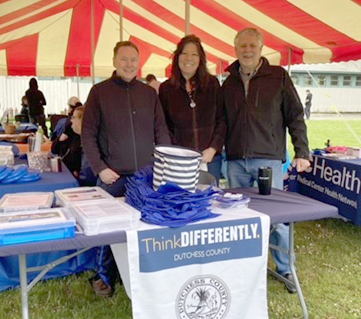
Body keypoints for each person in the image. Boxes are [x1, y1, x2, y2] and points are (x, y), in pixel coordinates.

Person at [222, 28, 310, 293]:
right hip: (236, 161)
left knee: (277, 219)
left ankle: (285, 268)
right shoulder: (228, 82)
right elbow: (222, 122)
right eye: (242, 46)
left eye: (252, 46)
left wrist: (302, 152)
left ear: (261, 49)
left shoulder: (278, 76)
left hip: (268, 161)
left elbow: (295, 115)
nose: (247, 50)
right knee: (238, 218)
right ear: (235, 49)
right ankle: (244, 265)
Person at [82, 41, 171, 297]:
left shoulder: (149, 94)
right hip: (113, 176)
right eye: (124, 59)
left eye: (133, 59)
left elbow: (161, 131)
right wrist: (100, 168)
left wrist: (163, 165)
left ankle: (139, 275)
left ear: (139, 62)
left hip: (146, 176)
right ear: (114, 61)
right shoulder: (99, 92)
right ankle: (103, 277)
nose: (129, 64)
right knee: (108, 229)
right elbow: (88, 135)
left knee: (145, 228)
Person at [159, 35, 226, 184]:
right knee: (182, 201)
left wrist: (213, 148)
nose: (189, 58)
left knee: (209, 201)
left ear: (201, 59)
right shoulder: (166, 89)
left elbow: (222, 120)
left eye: (194, 54)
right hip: (179, 162)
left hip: (210, 159)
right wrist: (179, 153)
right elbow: (164, 126)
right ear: (177, 57)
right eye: (184, 53)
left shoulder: (212, 84)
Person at [52, 105, 96, 186]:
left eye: (74, 117)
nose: (71, 120)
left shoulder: (89, 142)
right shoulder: (74, 135)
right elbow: (54, 150)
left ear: (83, 120)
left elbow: (87, 176)